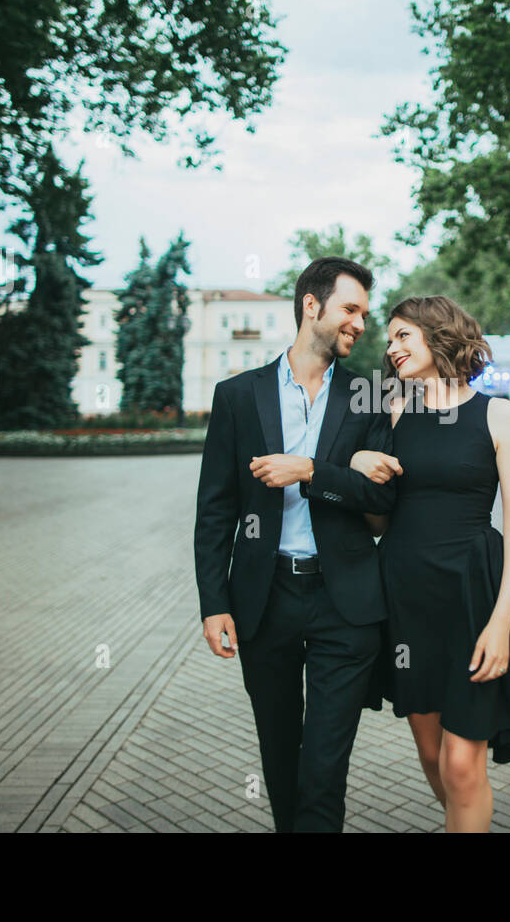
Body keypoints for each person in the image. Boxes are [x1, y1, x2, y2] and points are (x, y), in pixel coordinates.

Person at [193, 257, 398, 833]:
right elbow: (216, 510)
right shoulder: (238, 396)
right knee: (281, 756)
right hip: (265, 600)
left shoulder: (369, 395)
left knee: (325, 765)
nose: (360, 323)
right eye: (350, 309)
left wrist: (311, 470)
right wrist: (214, 602)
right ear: (312, 306)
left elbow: (382, 499)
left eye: (365, 312)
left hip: (346, 603)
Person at [347, 295, 510, 833]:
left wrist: (502, 623)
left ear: (438, 336)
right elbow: (378, 522)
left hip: (473, 599)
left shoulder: (500, 416)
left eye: (401, 336)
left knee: (463, 767)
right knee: (435, 757)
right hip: (407, 603)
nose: (390, 348)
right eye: (388, 339)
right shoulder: (390, 410)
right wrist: (357, 467)